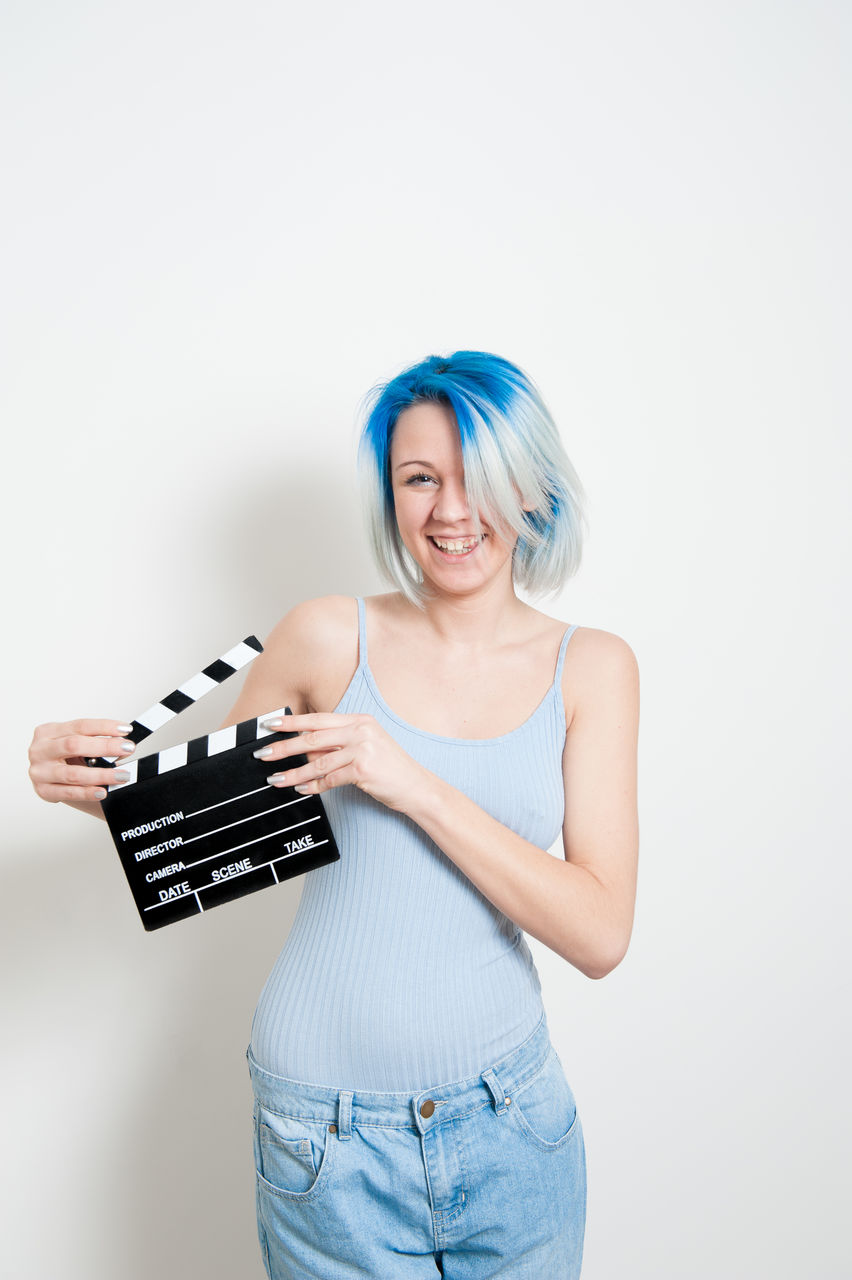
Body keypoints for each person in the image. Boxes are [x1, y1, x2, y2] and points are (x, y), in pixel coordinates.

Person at [28, 351, 640, 1279]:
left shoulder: (592, 668)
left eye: (477, 475)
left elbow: (600, 934)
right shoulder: (325, 635)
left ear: (532, 483)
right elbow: (193, 831)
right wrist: (88, 784)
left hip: (509, 1124)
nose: (449, 510)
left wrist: (411, 781)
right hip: (324, 1135)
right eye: (418, 478)